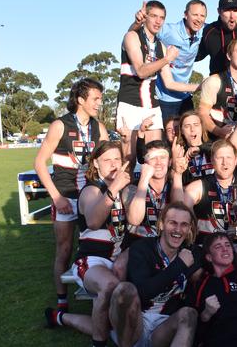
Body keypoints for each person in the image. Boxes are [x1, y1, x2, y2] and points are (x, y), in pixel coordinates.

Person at [44, 140, 131, 347]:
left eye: (117, 159)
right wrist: (114, 188)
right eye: (107, 160)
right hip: (93, 261)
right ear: (96, 164)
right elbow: (93, 220)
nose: (113, 164)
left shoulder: (128, 188)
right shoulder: (90, 190)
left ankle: (60, 317)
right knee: (109, 286)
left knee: (111, 326)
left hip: (121, 258)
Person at [34, 78, 109, 313]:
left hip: (90, 197)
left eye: (101, 98)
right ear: (80, 100)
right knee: (64, 249)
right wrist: (56, 197)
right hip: (65, 196)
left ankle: (95, 291)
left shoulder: (99, 127)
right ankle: (62, 301)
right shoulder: (60, 125)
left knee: (93, 246)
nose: (100, 103)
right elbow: (39, 163)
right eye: (95, 98)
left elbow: (109, 159)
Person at [117, 0, 199, 167]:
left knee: (156, 157)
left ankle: (155, 194)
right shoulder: (131, 36)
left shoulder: (161, 46)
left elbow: (170, 83)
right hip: (130, 104)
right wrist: (167, 59)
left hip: (152, 106)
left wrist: (200, 87)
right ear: (145, 16)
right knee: (129, 161)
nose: (158, 21)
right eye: (154, 16)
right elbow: (140, 71)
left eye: (162, 18)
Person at [108, 202, 200, 347]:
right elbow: (144, 292)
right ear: (161, 224)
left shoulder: (191, 253)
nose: (178, 229)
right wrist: (179, 265)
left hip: (164, 327)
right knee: (124, 290)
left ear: (189, 229)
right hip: (136, 323)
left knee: (189, 314)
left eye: (184, 225)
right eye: (172, 223)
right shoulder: (142, 248)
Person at [132, 0, 208, 119]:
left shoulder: (204, 30)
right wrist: (137, 22)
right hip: (164, 98)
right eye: (195, 14)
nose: (198, 19)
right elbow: (135, 34)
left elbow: (222, 28)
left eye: (202, 16)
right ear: (185, 14)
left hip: (185, 97)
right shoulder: (168, 31)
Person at [198, 39, 237, 141]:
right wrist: (219, 131)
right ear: (229, 55)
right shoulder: (214, 81)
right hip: (216, 143)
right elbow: (202, 113)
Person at [176, 110, 213, 185]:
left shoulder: (213, 147)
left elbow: (221, 151)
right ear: (182, 131)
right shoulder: (180, 154)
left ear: (202, 128)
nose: (192, 129)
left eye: (196, 125)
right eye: (187, 126)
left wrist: (200, 148)